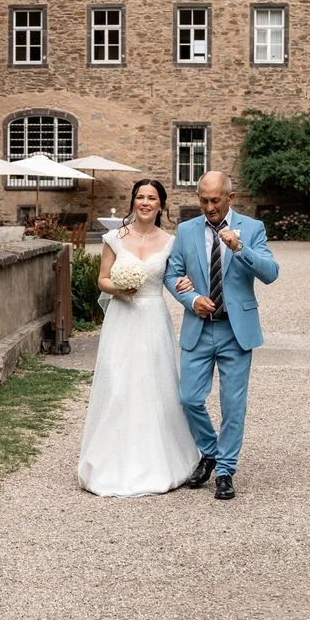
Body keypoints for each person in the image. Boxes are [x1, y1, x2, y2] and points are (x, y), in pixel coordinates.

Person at [75, 179, 202, 497]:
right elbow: (102, 279)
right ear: (133, 202)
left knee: (155, 385)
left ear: (161, 205)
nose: (145, 202)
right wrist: (119, 288)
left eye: (152, 197)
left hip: (153, 318)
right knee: (120, 384)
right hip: (122, 318)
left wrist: (187, 285)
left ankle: (161, 458)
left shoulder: (171, 242)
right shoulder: (114, 238)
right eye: (140, 197)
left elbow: (176, 277)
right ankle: (111, 461)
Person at [162, 171, 278, 500]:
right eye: (203, 200)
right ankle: (210, 451)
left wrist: (240, 248)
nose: (209, 207)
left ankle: (225, 469)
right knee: (189, 398)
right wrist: (191, 298)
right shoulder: (185, 231)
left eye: (215, 200)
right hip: (199, 328)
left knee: (233, 405)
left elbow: (270, 273)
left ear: (230, 197)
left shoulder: (253, 229)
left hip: (235, 330)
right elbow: (172, 274)